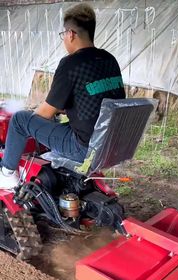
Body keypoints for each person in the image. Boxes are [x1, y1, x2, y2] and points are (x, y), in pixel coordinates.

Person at [0, 2, 125, 189]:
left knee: (19, 120)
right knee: (55, 122)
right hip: (111, 143)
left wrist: (33, 111)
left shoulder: (71, 63)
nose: (64, 39)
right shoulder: (109, 59)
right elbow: (99, 99)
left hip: (84, 148)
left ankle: (7, 174)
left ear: (71, 34)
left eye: (63, 35)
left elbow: (45, 114)